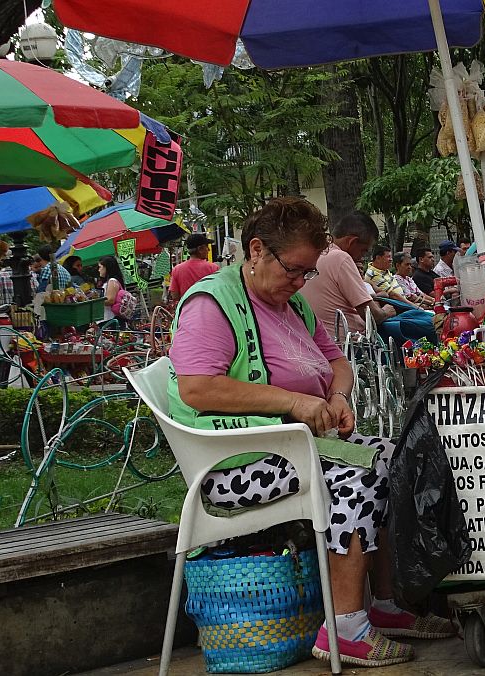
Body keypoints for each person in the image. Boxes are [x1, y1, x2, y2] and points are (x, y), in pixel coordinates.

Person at [168, 197, 454, 668]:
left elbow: (337, 362)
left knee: (399, 457)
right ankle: (344, 628)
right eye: (294, 269)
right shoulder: (211, 304)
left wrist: (337, 397)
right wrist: (294, 402)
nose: (300, 282)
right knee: (354, 478)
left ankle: (384, 605)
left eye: (308, 274)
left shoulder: (292, 304)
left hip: (294, 449)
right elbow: (199, 388)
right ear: (256, 250)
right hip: (233, 463)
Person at [300, 211, 396, 340]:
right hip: (349, 344)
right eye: (363, 250)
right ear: (352, 241)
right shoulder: (340, 257)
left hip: (319, 339)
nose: (363, 256)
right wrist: (387, 311)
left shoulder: (318, 254)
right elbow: (373, 315)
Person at [167, 233, 220, 304]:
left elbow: (174, 296)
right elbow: (219, 292)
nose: (209, 250)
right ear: (200, 249)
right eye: (207, 247)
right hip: (209, 309)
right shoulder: (213, 268)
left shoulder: (177, 269)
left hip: (187, 311)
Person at [98, 256, 133, 324]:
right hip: (109, 319)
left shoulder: (112, 281)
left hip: (109, 319)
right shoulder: (113, 281)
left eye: (100, 267)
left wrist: (94, 302)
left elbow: (110, 300)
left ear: (107, 267)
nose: (98, 270)